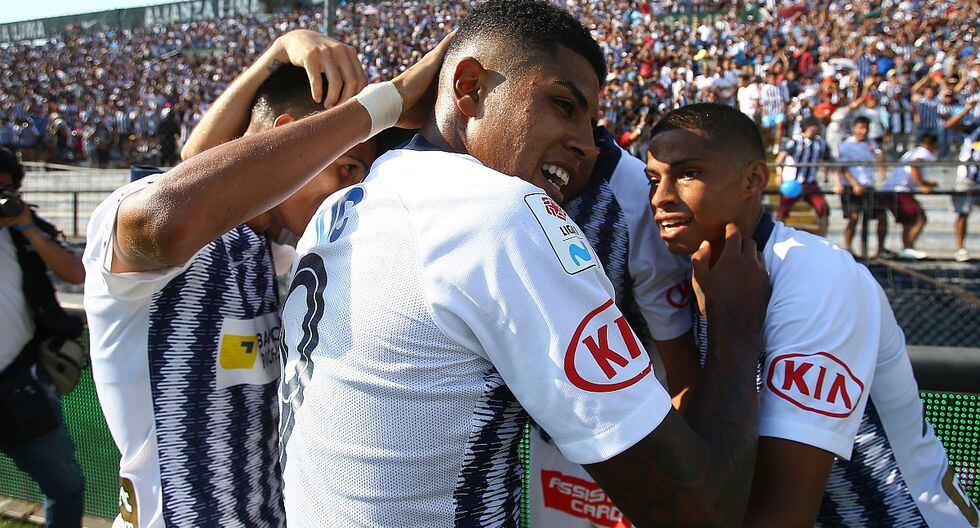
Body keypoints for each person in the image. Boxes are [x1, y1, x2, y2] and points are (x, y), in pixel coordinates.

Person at [278, 2, 768, 526]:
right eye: (563, 104)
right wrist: (735, 327)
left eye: (591, 122)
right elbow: (697, 511)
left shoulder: (341, 205)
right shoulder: (502, 213)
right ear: (470, 88)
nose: (586, 145)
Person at [82, 30, 381, 527]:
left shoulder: (273, 254)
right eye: (348, 169)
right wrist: (276, 54)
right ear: (286, 141)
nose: (353, 193)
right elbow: (185, 181)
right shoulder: (154, 240)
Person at [648, 103, 980, 528]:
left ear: (753, 179)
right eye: (653, 179)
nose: (660, 197)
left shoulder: (817, 279)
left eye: (688, 173)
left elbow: (784, 511)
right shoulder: (695, 270)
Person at [527, 125, 695, 527]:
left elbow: (682, 368)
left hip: (622, 445)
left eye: (569, 106)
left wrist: (673, 472)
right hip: (537, 436)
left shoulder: (637, 198)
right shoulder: (494, 180)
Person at [0, 147, 86, 527]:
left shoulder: (22, 230)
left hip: (19, 384)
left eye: (5, 190)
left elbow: (76, 273)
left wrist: (28, 228)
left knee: (65, 486)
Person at [881, 133, 939, 260]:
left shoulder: (913, 151)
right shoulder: (924, 153)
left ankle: (907, 248)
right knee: (919, 218)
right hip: (900, 190)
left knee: (909, 220)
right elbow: (914, 165)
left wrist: (926, 183)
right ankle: (908, 247)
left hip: (892, 189)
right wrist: (921, 185)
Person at [837, 116, 890, 256]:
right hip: (851, 186)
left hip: (868, 185)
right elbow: (843, 168)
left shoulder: (871, 144)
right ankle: (848, 248)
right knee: (853, 217)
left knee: (882, 215)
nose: (863, 131)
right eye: (861, 127)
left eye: (866, 128)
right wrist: (854, 184)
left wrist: (881, 154)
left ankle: (880, 249)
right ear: (854, 128)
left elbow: (878, 160)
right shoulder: (846, 145)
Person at [775, 116, 833, 236]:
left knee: (822, 208)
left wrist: (837, 182)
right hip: (792, 183)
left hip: (810, 182)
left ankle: (823, 238)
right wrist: (779, 174)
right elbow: (780, 159)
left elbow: (830, 162)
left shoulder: (821, 143)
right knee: (783, 210)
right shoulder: (794, 141)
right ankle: (777, 236)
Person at [944, 98, 979, 262]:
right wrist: (967, 109)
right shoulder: (975, 126)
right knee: (963, 213)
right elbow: (949, 125)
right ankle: (960, 248)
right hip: (968, 177)